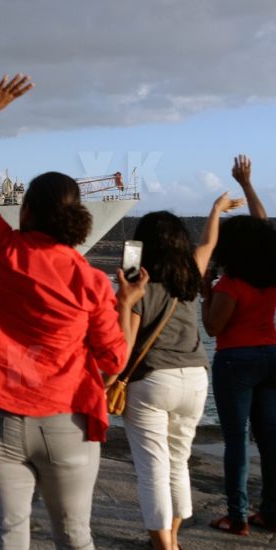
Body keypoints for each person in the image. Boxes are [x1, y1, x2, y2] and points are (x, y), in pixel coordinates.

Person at [0, 74, 144, 549]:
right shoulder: (90, 280)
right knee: (74, 536)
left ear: (25, 212)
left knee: (6, 536)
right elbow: (113, 360)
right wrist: (127, 304)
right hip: (66, 421)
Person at [114, 192, 242, 550]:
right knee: (178, 461)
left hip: (153, 381)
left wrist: (124, 300)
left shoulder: (140, 283)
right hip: (196, 380)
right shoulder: (191, 274)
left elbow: (125, 344)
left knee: (151, 468)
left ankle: (163, 545)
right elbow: (209, 241)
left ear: (142, 245)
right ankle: (171, 538)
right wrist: (215, 209)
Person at [204, 155, 276, 535]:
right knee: (270, 440)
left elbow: (213, 328)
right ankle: (271, 511)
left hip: (236, 360)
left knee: (236, 440)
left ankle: (237, 515)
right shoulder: (269, 275)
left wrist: (205, 292)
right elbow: (263, 228)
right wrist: (248, 185)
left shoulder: (230, 285)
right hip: (272, 355)